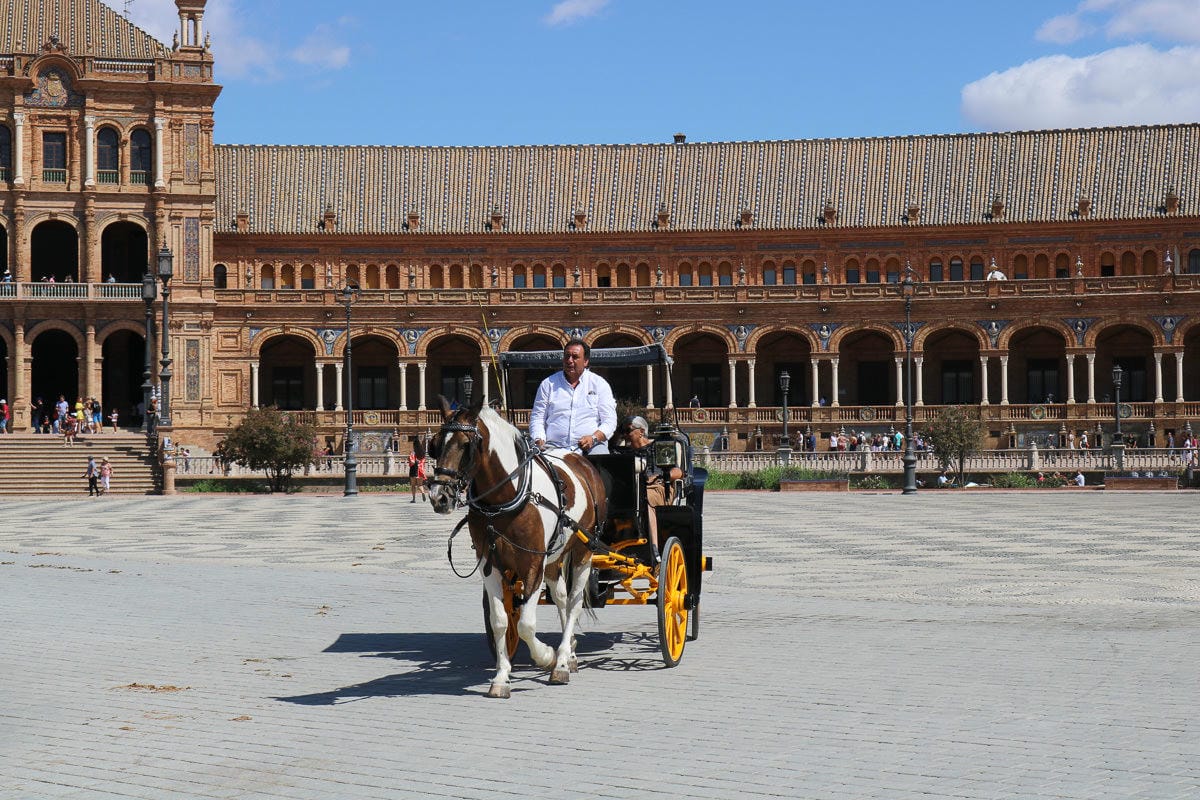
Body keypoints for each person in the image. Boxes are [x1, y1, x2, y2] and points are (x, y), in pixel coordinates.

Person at [528, 339, 616, 454]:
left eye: (575, 357)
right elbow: (537, 418)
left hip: (591, 447)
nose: (569, 360)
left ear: (585, 361)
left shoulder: (599, 384)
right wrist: (539, 439)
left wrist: (593, 438)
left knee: (602, 466)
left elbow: (610, 421)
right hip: (554, 447)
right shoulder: (548, 384)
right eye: (567, 356)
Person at [619, 416, 682, 563]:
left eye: (627, 431)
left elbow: (678, 472)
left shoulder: (660, 447)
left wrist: (661, 476)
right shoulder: (623, 453)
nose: (625, 435)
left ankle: (654, 549)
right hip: (633, 489)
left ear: (641, 432)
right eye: (622, 431)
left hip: (658, 487)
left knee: (643, 499)